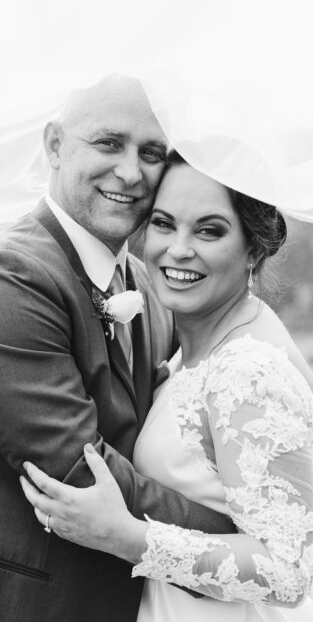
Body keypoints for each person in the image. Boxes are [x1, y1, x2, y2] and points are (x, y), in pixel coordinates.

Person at [22, 151, 313, 622]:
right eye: (163, 223)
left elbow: (288, 571)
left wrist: (126, 536)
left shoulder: (249, 371)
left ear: (254, 248)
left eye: (208, 230)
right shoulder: (202, 342)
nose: (178, 248)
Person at [0, 79, 236, 622]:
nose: (131, 172)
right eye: (109, 143)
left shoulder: (147, 283)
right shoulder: (16, 275)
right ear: (55, 146)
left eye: (151, 153)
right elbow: (79, 471)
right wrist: (241, 540)